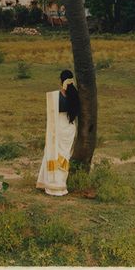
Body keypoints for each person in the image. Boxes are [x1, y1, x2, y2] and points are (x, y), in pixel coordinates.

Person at [36, 69, 79, 197]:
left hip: (58, 127)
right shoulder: (76, 96)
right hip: (70, 127)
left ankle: (52, 184)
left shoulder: (56, 96)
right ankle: (61, 184)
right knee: (64, 156)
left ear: (61, 80)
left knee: (53, 153)